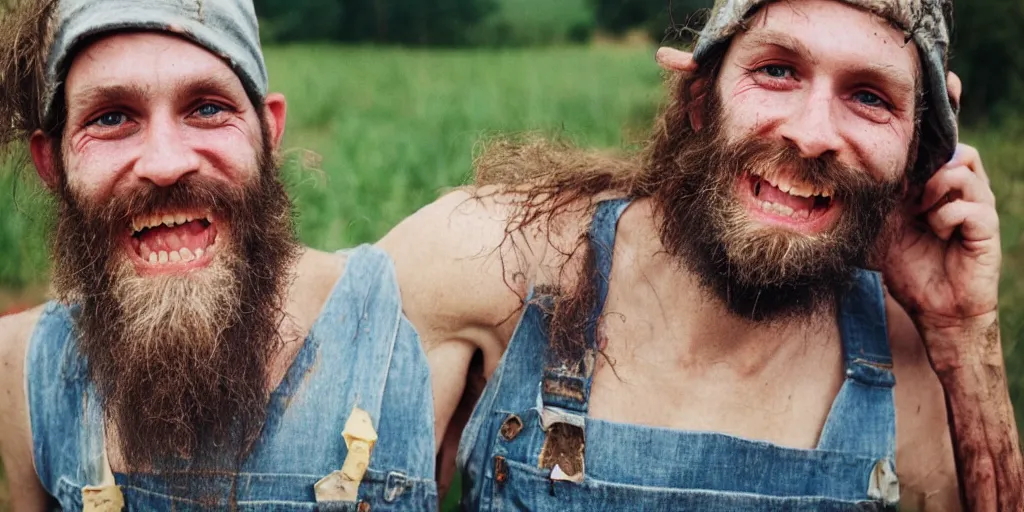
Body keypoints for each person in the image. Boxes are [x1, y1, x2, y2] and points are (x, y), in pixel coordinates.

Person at [381, 0, 1023, 509]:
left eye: (870, 97)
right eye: (776, 70)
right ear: (698, 98)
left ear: (918, 148)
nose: (812, 133)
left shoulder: (909, 362)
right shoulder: (491, 257)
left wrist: (965, 339)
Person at [0, 0, 438, 509]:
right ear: (51, 163)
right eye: (111, 116)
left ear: (269, 134)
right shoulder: (22, 370)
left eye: (208, 108)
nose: (166, 164)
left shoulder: (407, 325)